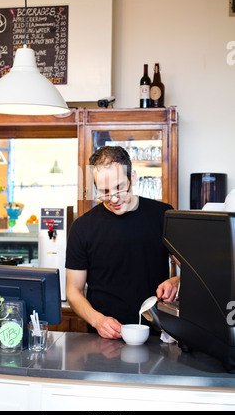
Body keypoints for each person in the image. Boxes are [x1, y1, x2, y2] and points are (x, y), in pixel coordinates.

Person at [65, 145, 179, 339]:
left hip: (157, 335)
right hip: (102, 337)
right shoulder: (82, 227)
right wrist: (97, 320)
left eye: (119, 187)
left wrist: (177, 281)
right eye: (104, 192)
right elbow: (73, 291)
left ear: (133, 177)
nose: (114, 198)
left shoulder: (163, 215)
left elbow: (196, 271)